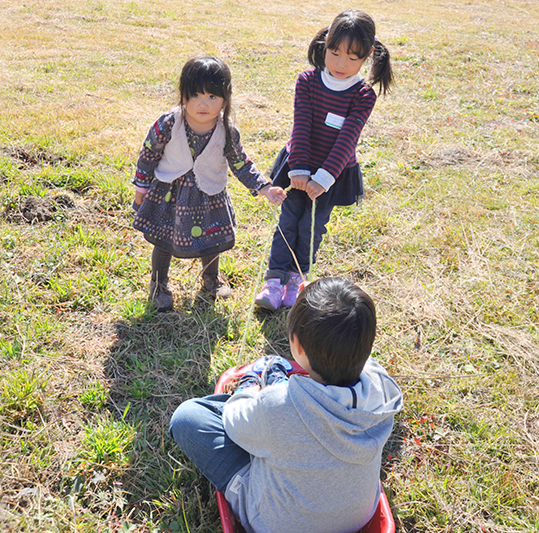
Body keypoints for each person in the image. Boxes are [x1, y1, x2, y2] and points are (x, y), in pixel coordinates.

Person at [169, 277, 403, 533]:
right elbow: (352, 340)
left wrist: (251, 388)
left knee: (188, 417)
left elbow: (234, 421)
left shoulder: (278, 406)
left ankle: (268, 377)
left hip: (276, 524)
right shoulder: (384, 390)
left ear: (298, 345)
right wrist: (316, 301)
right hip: (356, 518)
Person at [254, 9, 393, 311]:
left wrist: (323, 178)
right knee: (288, 220)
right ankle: (274, 279)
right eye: (334, 52)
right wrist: (299, 170)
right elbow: (301, 126)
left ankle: (297, 278)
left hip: (331, 175)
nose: (341, 64)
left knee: (311, 227)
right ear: (325, 44)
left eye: (352, 57)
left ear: (368, 55)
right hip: (297, 169)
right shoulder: (307, 81)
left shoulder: (363, 95)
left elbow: (347, 139)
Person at [131, 56, 286, 311]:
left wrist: (264, 187)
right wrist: (141, 188)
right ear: (184, 95)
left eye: (213, 97)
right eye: (196, 96)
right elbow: (148, 155)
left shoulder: (226, 130)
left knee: (211, 238)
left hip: (209, 194)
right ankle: (159, 283)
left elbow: (240, 163)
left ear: (226, 98)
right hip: (171, 193)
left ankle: (211, 278)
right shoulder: (168, 123)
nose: (204, 104)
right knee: (163, 239)